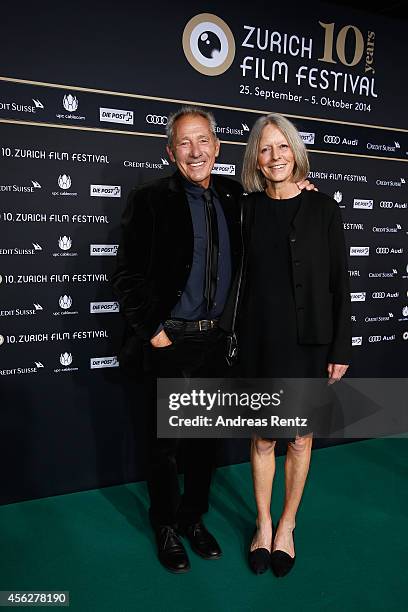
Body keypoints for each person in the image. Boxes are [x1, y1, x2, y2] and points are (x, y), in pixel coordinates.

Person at [112, 106, 314, 574]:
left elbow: (277, 206)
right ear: (171, 151)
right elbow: (126, 275)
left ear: (218, 148)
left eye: (203, 140)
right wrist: (154, 332)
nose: (195, 151)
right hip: (169, 342)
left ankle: (192, 519)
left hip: (215, 344)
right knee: (165, 446)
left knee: (203, 441)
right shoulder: (150, 198)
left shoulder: (232, 195)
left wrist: (303, 190)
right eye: (185, 142)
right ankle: (164, 525)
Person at [235, 113, 351, 577]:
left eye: (283, 147)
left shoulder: (324, 209)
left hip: (310, 343)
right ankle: (262, 525)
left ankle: (287, 526)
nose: (275, 156)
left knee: (301, 439)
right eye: (266, 149)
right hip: (261, 340)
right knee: (263, 437)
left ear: (296, 153)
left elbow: (340, 282)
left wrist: (340, 346)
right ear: (256, 161)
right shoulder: (245, 209)